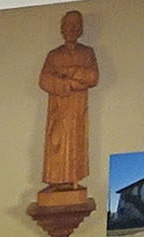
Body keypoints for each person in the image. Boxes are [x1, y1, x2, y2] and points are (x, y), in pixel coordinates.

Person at [38, 11, 98, 195]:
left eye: (75, 26)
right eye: (68, 26)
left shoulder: (87, 53)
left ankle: (73, 179)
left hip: (78, 109)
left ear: (80, 30)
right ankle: (55, 181)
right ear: (62, 29)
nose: (71, 30)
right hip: (58, 108)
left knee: (76, 144)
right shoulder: (54, 55)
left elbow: (93, 77)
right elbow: (44, 80)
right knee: (56, 142)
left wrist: (69, 71)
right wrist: (69, 83)